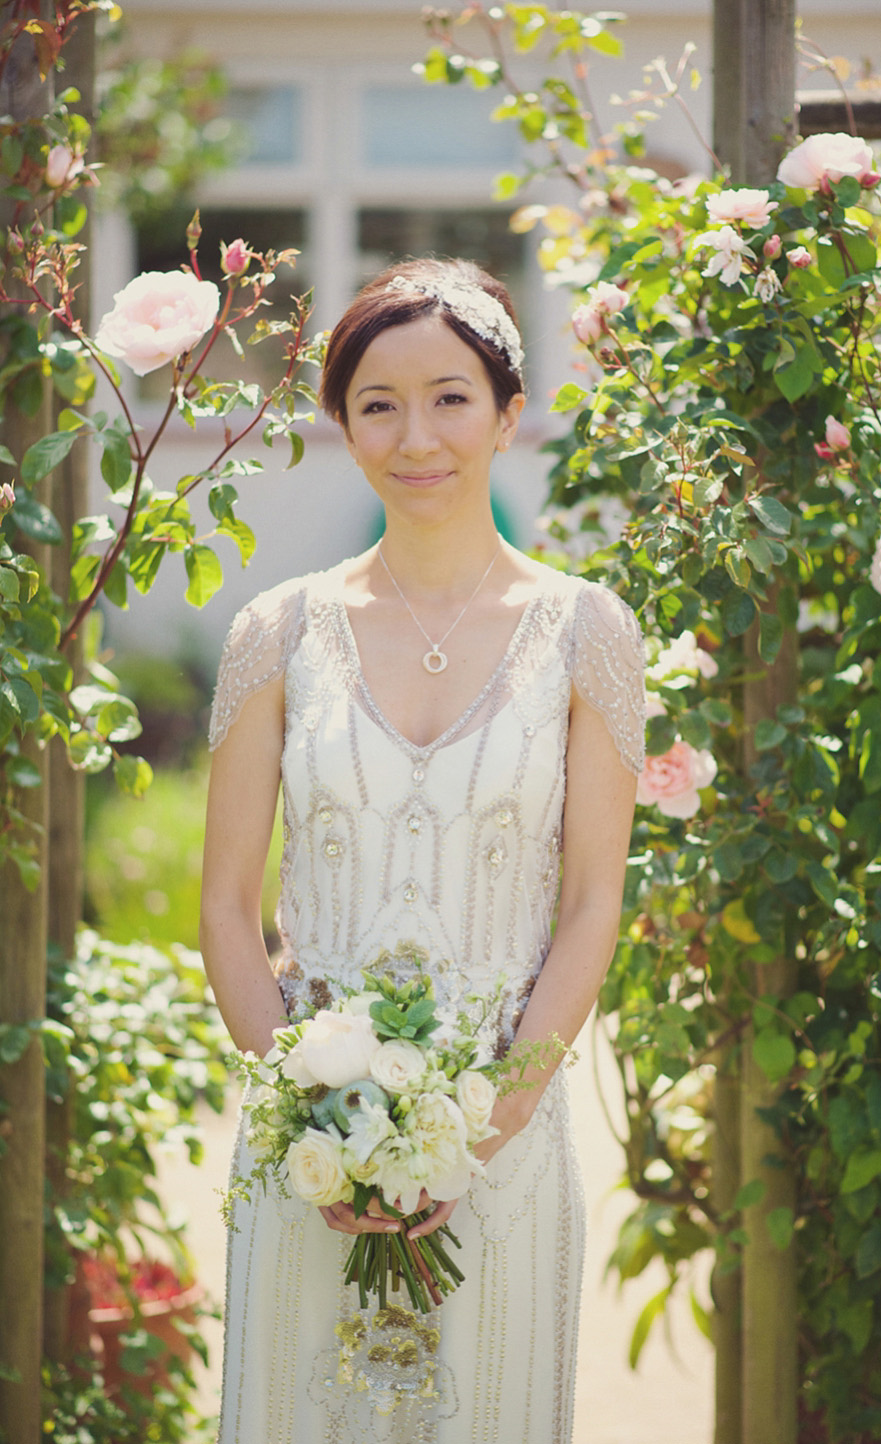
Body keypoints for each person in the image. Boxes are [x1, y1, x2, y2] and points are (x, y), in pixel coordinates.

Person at [200, 256, 647, 1444]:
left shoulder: (588, 632)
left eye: (451, 396)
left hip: (505, 1149)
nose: (418, 435)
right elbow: (226, 906)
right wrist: (318, 1129)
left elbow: (594, 903)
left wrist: (480, 1131)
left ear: (509, 412)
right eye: (378, 403)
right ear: (342, 423)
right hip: (311, 1165)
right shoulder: (277, 631)